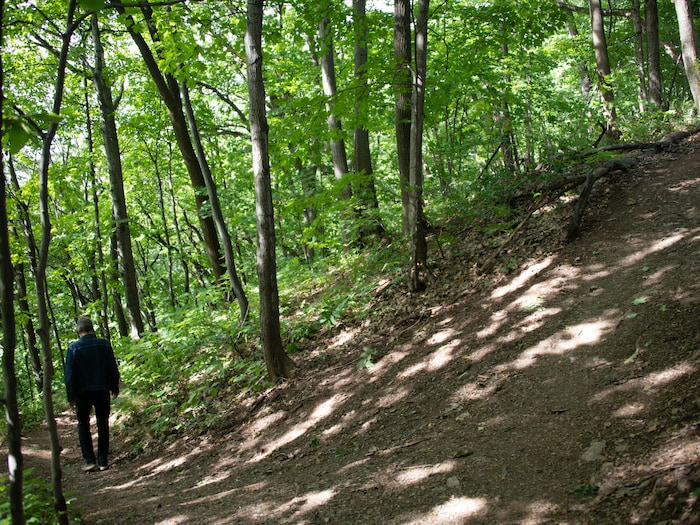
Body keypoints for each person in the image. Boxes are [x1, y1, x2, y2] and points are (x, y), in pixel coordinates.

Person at [65, 316, 120, 472]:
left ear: (78, 331)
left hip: (82, 393)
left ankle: (90, 461)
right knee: (103, 424)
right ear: (92, 329)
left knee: (83, 424)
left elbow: (69, 376)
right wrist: (114, 387)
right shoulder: (104, 344)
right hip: (102, 389)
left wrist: (71, 396)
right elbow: (112, 367)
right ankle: (103, 461)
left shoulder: (73, 348)